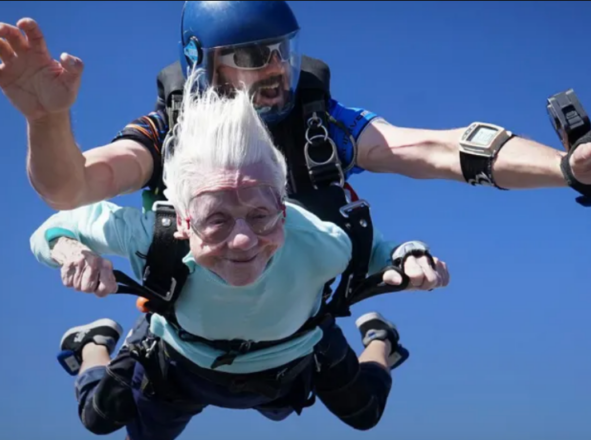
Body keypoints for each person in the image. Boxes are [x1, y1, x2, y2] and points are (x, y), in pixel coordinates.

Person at [29, 72, 451, 439]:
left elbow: (378, 248)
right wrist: (75, 254)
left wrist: (412, 256)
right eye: (217, 220)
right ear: (182, 222)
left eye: (261, 215)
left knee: (365, 412)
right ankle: (91, 343)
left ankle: (381, 341)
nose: (245, 240)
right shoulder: (150, 234)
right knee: (100, 416)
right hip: (180, 360)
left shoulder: (322, 240)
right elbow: (52, 229)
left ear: (285, 211)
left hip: (292, 356)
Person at [0, 1, 591, 215]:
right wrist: (46, 122)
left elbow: (437, 149)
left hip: (296, 322)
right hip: (189, 319)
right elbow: (73, 186)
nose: (274, 68)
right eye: (250, 56)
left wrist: (571, 168)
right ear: (202, 64)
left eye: (280, 50)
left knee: (354, 401)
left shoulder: (318, 123)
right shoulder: (169, 131)